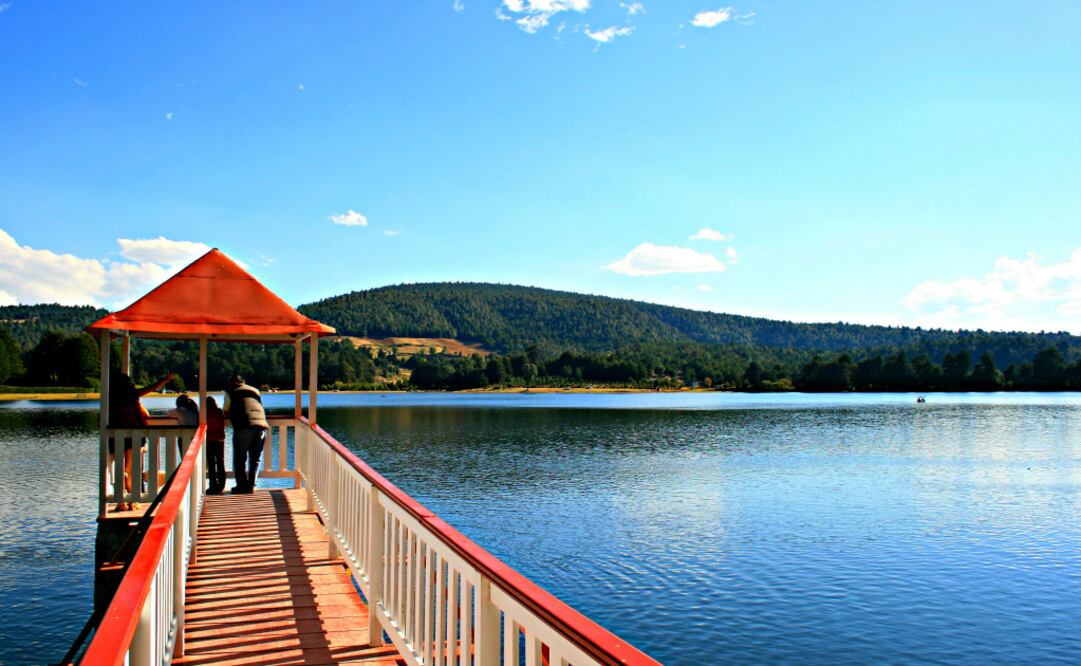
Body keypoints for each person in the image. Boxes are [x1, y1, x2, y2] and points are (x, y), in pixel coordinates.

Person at [107, 370, 174, 511]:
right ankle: (133, 501)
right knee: (131, 469)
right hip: (134, 435)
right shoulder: (131, 395)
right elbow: (150, 389)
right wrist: (165, 380)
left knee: (121, 469)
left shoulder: (111, 397)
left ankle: (121, 502)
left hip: (116, 435)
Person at [224, 374, 268, 494]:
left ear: (232, 383)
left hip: (244, 425)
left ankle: (241, 485)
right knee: (256, 458)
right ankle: (252, 485)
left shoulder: (230, 391)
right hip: (261, 426)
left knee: (239, 457)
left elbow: (226, 411)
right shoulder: (255, 390)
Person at [204, 396, 227, 495]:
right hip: (220, 439)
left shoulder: (205, 413)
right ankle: (221, 485)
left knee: (211, 463)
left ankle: (212, 486)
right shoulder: (219, 411)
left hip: (209, 439)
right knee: (220, 462)